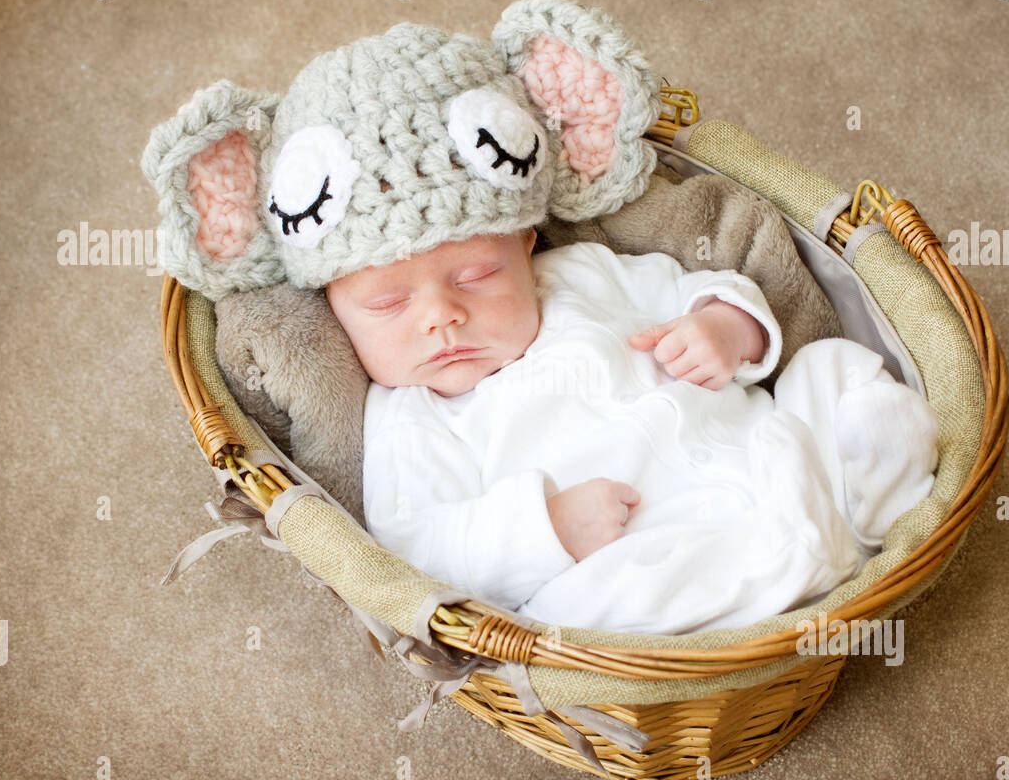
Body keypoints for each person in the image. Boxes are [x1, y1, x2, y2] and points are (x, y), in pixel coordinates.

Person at [326, 227, 939, 635]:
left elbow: (693, 286)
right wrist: (549, 527)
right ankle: (791, 575)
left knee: (830, 367)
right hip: (668, 554)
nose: (441, 316)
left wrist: (724, 329)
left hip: (779, 459)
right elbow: (417, 550)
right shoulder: (410, 418)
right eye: (387, 305)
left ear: (522, 243)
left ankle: (873, 515)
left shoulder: (581, 273)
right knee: (574, 612)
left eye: (476, 274)